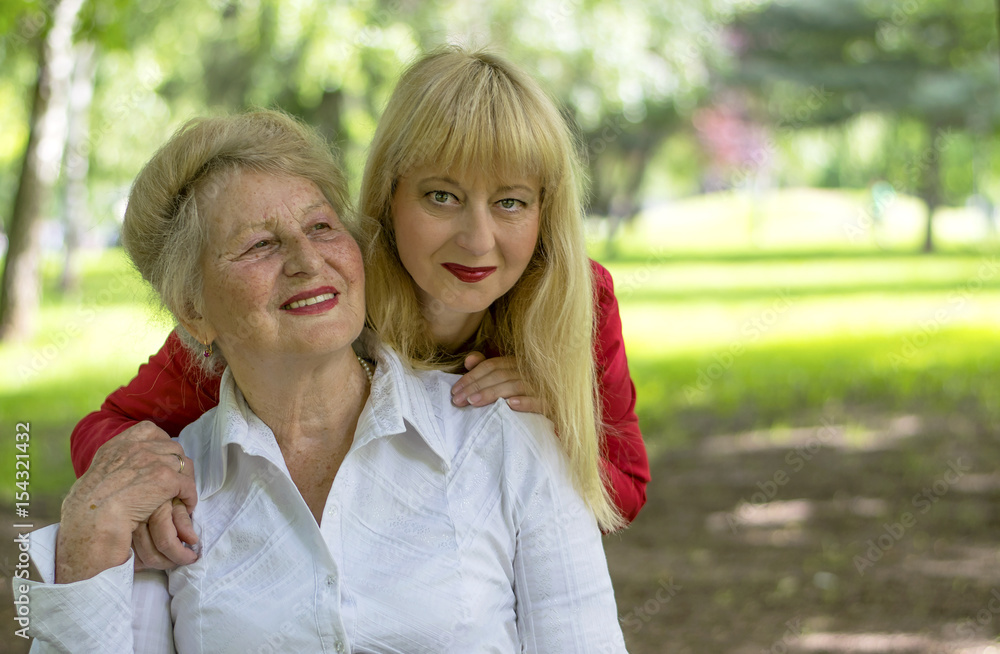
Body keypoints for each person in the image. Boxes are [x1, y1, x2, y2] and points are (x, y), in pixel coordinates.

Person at [21, 109, 628, 652]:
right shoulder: (162, 503)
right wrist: (90, 542)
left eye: (320, 227)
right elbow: (113, 430)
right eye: (260, 244)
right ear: (193, 310)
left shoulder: (507, 435)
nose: (308, 261)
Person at [69, 47, 649, 569]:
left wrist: (551, 427)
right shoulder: (324, 293)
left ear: (546, 208)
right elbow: (105, 427)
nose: (477, 241)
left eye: (511, 203)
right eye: (441, 196)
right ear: (389, 193)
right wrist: (155, 481)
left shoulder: (576, 301)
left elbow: (622, 491)